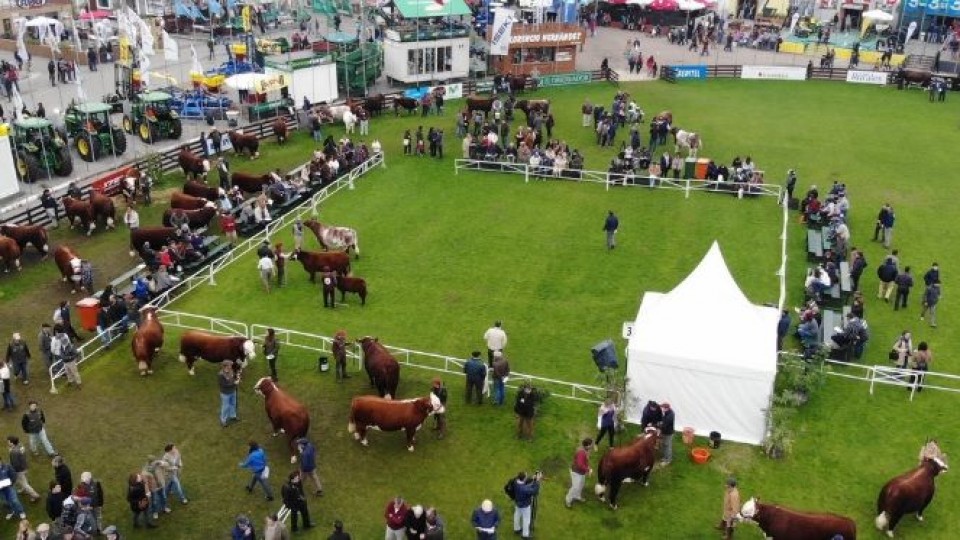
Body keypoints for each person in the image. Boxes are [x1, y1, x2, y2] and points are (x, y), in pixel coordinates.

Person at [7, 436, 40, 502]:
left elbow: (15, 464)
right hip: (24, 467)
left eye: (9, 441)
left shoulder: (13, 452)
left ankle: (35, 495)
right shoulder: (20, 446)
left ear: (12, 443)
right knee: (23, 480)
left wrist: (13, 471)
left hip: (19, 470)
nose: (8, 442)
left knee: (24, 483)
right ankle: (23, 489)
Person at [511, 471, 541, 539]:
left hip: (517, 503)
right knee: (526, 520)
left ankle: (516, 529)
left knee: (517, 515)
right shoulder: (524, 489)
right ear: (524, 478)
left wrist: (532, 478)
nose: (527, 477)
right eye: (526, 476)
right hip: (525, 506)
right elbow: (534, 491)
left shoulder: (516, 482)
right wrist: (537, 481)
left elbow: (525, 481)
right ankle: (525, 535)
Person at [565, 438, 593, 508]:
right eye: (591, 444)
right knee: (575, 487)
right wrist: (588, 470)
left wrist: (588, 468)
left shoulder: (586, 451)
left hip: (581, 473)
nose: (592, 446)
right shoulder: (581, 453)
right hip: (576, 472)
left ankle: (577, 496)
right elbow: (580, 465)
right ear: (587, 445)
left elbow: (585, 462)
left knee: (581, 485)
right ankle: (568, 500)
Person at [218, 361, 239, 427]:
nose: (231, 366)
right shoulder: (221, 374)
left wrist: (237, 377)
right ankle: (223, 420)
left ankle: (233, 416)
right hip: (225, 393)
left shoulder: (231, 370)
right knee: (225, 407)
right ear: (225, 366)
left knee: (233, 404)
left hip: (233, 391)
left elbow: (233, 377)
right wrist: (234, 383)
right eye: (230, 365)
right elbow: (224, 385)